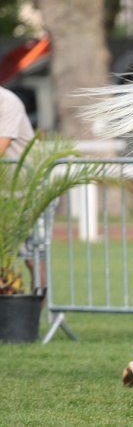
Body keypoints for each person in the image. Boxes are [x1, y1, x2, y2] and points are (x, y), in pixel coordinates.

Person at [0, 85, 44, 291]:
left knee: (34, 258)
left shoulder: (7, 101)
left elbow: (2, 146)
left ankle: (33, 320)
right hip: (4, 193)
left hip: (34, 190)